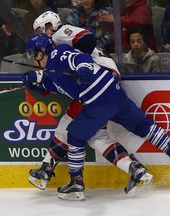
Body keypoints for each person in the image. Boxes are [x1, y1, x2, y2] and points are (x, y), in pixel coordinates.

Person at [22, 33, 170, 200]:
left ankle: (76, 184)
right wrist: (36, 85)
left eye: (32, 55)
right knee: (142, 125)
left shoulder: (56, 54)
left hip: (98, 101)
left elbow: (79, 59)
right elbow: (58, 85)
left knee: (74, 133)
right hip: (114, 94)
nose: (32, 60)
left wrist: (83, 67)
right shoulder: (52, 69)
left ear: (39, 53)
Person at [30, 11, 155, 199]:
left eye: (42, 29)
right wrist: (42, 80)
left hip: (96, 86)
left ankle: (62, 176)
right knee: (93, 135)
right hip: (98, 85)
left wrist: (43, 81)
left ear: (51, 25)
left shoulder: (60, 35)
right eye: (38, 31)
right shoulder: (55, 45)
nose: (41, 34)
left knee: (81, 131)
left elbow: (85, 44)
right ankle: (135, 170)